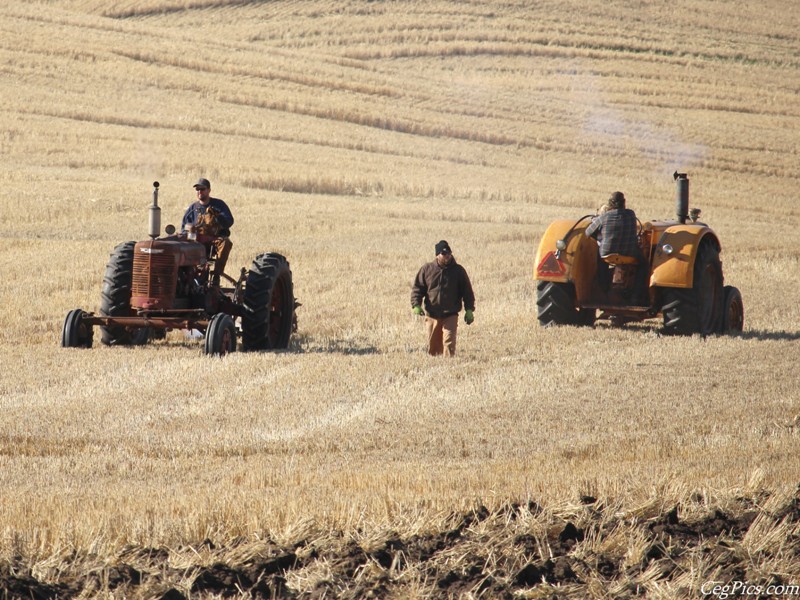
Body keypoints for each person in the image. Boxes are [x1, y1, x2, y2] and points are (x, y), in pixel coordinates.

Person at [411, 240, 475, 357]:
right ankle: (436, 368)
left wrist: (469, 309)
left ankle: (449, 366)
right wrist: (416, 305)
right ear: (437, 255)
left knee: (449, 343)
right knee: (434, 347)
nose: (447, 256)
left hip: (451, 314)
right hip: (432, 314)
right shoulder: (427, 269)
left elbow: (467, 292)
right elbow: (418, 288)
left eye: (449, 254)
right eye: (444, 254)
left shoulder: (458, 271)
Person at [585, 191, 644, 298]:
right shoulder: (631, 214)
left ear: (610, 203)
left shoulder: (604, 217)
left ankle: (604, 289)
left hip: (608, 253)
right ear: (624, 202)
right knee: (644, 264)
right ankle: (637, 293)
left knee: (601, 261)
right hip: (629, 253)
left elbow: (587, 232)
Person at [181, 178, 234, 286]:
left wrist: (217, 216)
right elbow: (183, 228)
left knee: (225, 242)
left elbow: (229, 221)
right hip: (197, 241)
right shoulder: (193, 208)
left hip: (215, 240)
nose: (199, 191)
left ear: (209, 190)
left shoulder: (219, 205)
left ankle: (216, 275)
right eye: (197, 189)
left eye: (202, 189)